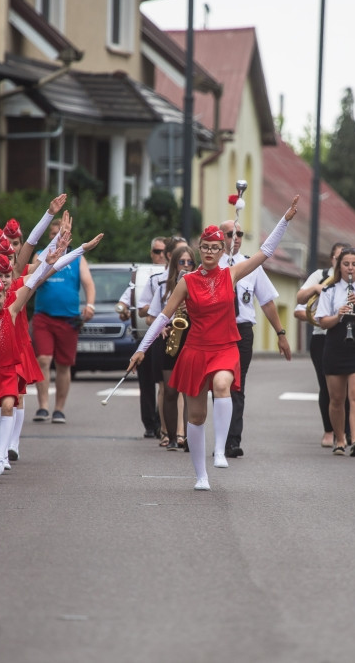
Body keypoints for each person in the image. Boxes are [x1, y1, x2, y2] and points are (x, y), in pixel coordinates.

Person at [129, 196, 299, 491]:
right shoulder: (187, 281)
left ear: (224, 251)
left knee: (223, 386)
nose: (209, 252)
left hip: (224, 347)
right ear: (199, 250)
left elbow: (265, 252)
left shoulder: (231, 273)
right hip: (195, 351)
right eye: (205, 248)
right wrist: (141, 348)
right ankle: (201, 475)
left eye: (215, 248)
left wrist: (284, 220)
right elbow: (161, 319)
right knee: (196, 417)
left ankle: (219, 449)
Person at [0, 217, 98, 482]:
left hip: (9, 367)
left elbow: (45, 270)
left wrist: (79, 249)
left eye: (4, 283)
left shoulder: (13, 302)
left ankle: (3, 455)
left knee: (11, 403)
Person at [218, 217, 291, 458]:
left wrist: (280, 334)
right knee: (217, 386)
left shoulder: (251, 266)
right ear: (220, 237)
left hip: (241, 331)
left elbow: (268, 302)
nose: (235, 239)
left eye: (239, 235)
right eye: (230, 234)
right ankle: (215, 436)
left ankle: (232, 440)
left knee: (237, 385)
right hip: (216, 331)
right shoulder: (211, 266)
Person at [313, 246, 355, 457]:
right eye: (346, 264)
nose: (350, 268)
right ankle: (340, 440)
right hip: (335, 343)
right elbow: (323, 322)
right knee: (336, 398)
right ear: (339, 266)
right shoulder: (329, 290)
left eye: (354, 264)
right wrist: (339, 315)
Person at [31, 216, 95, 424]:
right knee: (43, 359)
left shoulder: (77, 258)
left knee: (63, 364)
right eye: (52, 235)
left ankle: (59, 409)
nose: (55, 238)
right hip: (44, 316)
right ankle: (43, 406)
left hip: (68, 318)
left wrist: (90, 305)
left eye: (60, 235)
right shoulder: (40, 255)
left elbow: (88, 283)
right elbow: (31, 278)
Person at [295, 243, 350, 448]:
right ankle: (329, 430)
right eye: (338, 258)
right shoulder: (320, 275)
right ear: (332, 259)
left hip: (348, 336)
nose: (342, 263)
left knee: (350, 387)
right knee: (327, 386)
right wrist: (316, 289)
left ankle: (346, 431)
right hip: (323, 336)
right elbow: (299, 306)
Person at [146, 245, 197, 451]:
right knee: (170, 391)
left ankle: (187, 437)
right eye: (181, 262)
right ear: (174, 263)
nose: (185, 266)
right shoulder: (163, 286)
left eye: (189, 262)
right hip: (168, 339)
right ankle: (172, 437)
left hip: (190, 339)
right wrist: (160, 329)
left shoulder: (197, 285)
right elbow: (151, 316)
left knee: (189, 393)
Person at [116, 236, 168, 438]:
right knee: (146, 382)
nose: (160, 255)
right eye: (156, 251)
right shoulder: (141, 276)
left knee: (166, 382)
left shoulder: (175, 276)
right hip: (146, 335)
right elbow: (126, 302)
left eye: (164, 252)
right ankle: (149, 424)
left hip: (167, 336)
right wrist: (123, 310)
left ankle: (162, 421)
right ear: (151, 253)